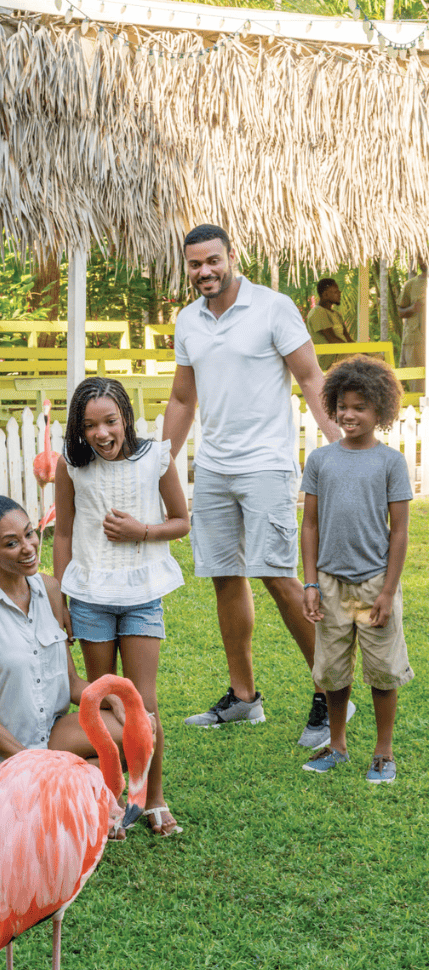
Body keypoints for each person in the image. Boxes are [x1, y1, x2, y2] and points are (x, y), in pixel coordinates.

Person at [163, 223, 349, 747]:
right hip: (215, 467)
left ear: (231, 257)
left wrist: (341, 448)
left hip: (266, 464)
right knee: (225, 575)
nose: (204, 271)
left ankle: (333, 690)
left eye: (213, 261)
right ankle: (244, 698)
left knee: (278, 575)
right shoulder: (188, 322)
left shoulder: (273, 307)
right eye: (195, 264)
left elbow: (312, 377)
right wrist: (160, 461)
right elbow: (182, 400)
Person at [0, 485, 138, 849]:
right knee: (41, 841)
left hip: (45, 737)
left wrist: (109, 698)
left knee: (137, 728)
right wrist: (38, 768)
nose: (28, 548)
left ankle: (66, 789)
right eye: (11, 543)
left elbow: (69, 682)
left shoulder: (50, 590)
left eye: (30, 534)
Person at [53, 377, 190, 837]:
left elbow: (181, 521)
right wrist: (61, 597)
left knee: (143, 705)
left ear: (125, 418)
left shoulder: (156, 457)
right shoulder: (71, 465)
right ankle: (113, 798)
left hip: (141, 595)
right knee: (105, 702)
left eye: (110, 421)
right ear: (79, 429)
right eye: (89, 426)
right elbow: (65, 534)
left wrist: (142, 532)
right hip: (91, 598)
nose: (102, 434)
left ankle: (152, 798)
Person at [300, 356, 413, 783]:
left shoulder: (390, 463)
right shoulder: (321, 460)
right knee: (332, 670)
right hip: (329, 584)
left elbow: (399, 532)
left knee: (382, 670)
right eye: (343, 405)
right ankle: (338, 744)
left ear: (379, 411)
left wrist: (387, 591)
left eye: (360, 406)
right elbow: (308, 525)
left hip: (373, 585)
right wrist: (310, 582)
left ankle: (383, 752)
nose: (349, 414)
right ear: (333, 405)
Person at [306, 278, 354, 369]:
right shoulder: (317, 313)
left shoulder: (336, 315)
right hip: (331, 359)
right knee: (370, 363)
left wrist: (362, 350)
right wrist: (355, 351)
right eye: (336, 292)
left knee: (378, 358)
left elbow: (348, 339)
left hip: (344, 353)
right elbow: (332, 339)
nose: (339, 293)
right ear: (326, 294)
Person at [397, 258, 425, 393]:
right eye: (421, 258)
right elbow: (400, 312)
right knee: (417, 383)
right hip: (415, 340)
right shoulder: (411, 285)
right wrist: (412, 309)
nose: (424, 261)